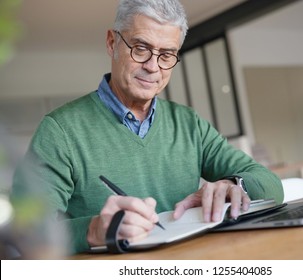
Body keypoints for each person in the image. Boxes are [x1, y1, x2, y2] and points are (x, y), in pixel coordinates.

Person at [12, 0, 283, 255]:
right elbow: (24, 234)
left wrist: (233, 184)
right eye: (141, 48)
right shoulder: (59, 131)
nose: (153, 67)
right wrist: (94, 230)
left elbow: (271, 185)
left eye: (167, 55)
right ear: (112, 43)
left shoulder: (189, 124)